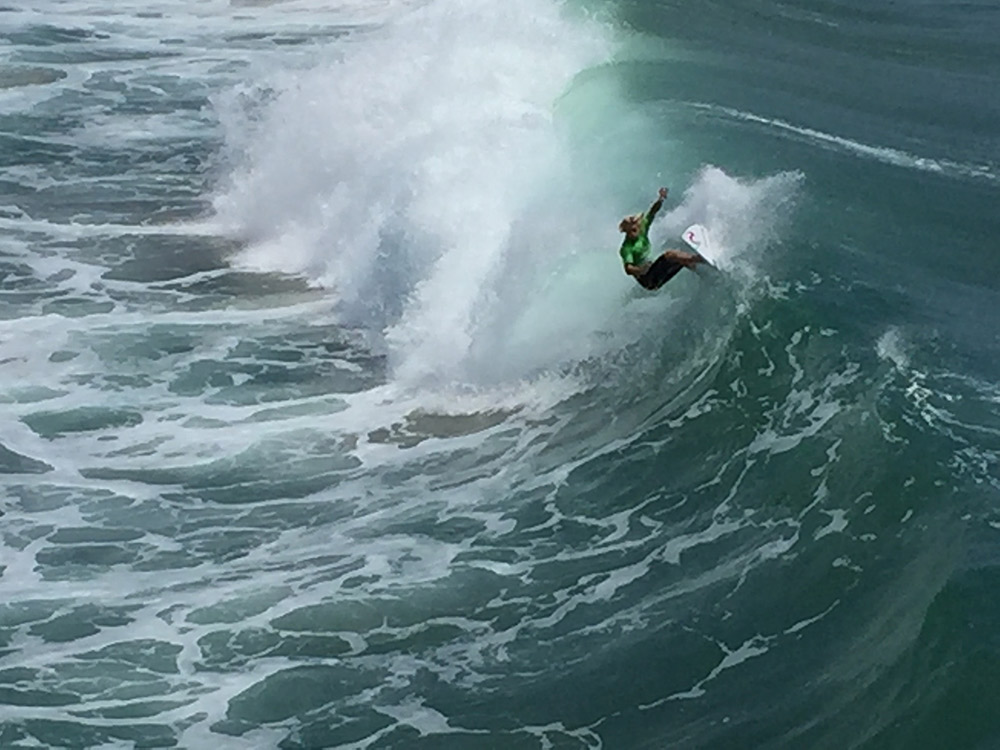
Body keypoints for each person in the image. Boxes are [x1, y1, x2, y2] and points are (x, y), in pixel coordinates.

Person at [619, 187, 703, 290]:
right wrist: (640, 270)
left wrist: (661, 198)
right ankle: (700, 259)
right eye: (630, 231)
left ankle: (703, 271)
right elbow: (628, 269)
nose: (633, 232)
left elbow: (652, 211)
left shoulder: (642, 228)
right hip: (647, 280)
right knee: (669, 255)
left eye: (634, 228)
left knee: (681, 260)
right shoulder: (626, 248)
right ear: (626, 232)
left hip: (654, 275)